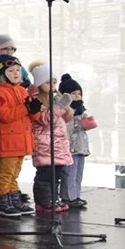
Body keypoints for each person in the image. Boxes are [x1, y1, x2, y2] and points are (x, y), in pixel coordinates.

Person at [0, 55, 36, 219]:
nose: (15, 73)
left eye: (17, 70)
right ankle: (2, 200)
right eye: (11, 71)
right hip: (8, 140)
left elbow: (30, 115)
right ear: (2, 73)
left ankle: (14, 199)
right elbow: (5, 116)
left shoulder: (21, 90)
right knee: (5, 173)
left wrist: (34, 108)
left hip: (21, 140)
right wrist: (26, 107)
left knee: (14, 172)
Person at [28, 66, 75, 213]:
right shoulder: (36, 101)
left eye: (54, 82)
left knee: (56, 175)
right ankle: (43, 200)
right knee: (45, 175)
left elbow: (65, 118)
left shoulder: (54, 98)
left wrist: (66, 108)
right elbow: (45, 120)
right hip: (45, 144)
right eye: (48, 83)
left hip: (58, 144)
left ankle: (54, 198)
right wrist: (60, 107)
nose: (52, 86)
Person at [59, 73, 93, 209]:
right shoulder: (66, 110)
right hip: (70, 147)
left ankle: (76, 194)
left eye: (79, 94)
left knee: (78, 173)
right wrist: (81, 125)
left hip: (80, 147)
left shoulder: (81, 109)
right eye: (73, 94)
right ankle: (68, 197)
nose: (77, 96)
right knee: (69, 173)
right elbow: (67, 127)